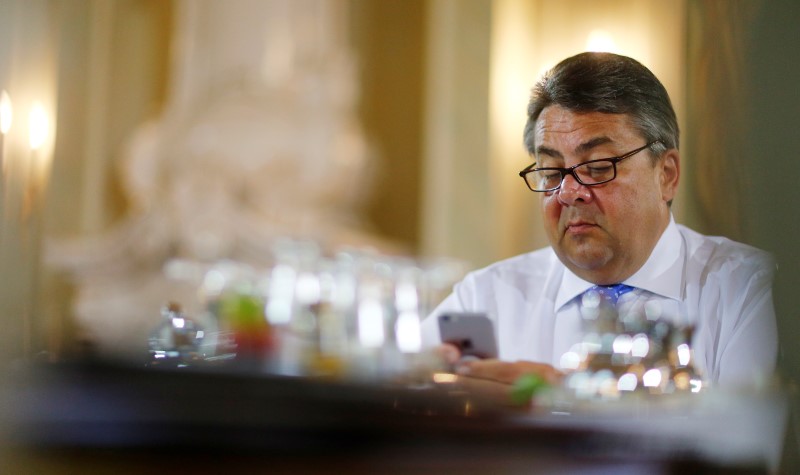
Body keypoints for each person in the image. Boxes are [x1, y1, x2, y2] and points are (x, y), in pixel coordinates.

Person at [421, 52, 777, 399]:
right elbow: (397, 406)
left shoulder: (746, 289)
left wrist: (565, 404)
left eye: (598, 166)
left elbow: (751, 449)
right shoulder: (485, 299)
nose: (569, 192)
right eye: (551, 172)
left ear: (666, 175)